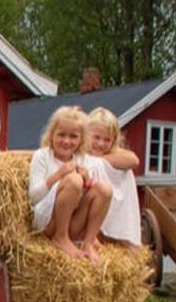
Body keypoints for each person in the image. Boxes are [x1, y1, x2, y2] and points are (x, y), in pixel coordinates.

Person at [28, 106, 113, 262]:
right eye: (61, 134)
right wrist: (58, 176)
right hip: (47, 224)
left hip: (73, 224)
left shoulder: (82, 159)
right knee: (74, 180)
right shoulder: (42, 156)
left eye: (73, 136)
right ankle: (60, 237)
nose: (66, 141)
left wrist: (88, 181)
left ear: (81, 140)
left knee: (105, 189)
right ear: (52, 135)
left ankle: (88, 243)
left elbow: (90, 197)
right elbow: (33, 197)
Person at [87, 107, 142, 245]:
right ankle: (91, 233)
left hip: (108, 204)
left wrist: (96, 161)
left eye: (107, 140)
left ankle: (119, 235)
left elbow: (134, 160)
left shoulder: (113, 154)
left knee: (125, 172)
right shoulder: (78, 151)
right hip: (84, 211)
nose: (101, 144)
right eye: (96, 137)